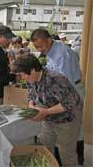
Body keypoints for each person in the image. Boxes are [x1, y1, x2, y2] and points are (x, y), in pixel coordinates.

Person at [11, 54, 83, 166]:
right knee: (44, 148)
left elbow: (70, 103)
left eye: (22, 74)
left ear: (32, 69)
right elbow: (31, 95)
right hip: (48, 119)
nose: (21, 78)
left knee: (67, 153)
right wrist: (32, 107)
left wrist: (46, 112)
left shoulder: (55, 79)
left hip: (67, 119)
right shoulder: (31, 78)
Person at [31, 28, 85, 166]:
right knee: (56, 138)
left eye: (40, 46)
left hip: (72, 91)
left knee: (68, 139)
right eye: (36, 47)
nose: (39, 50)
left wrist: (46, 109)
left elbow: (64, 87)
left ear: (49, 40)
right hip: (65, 93)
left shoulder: (62, 54)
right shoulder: (52, 50)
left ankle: (75, 160)